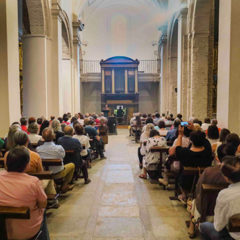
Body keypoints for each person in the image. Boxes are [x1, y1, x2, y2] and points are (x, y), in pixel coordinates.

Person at [0, 146, 50, 240]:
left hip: (2, 230)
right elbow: (43, 204)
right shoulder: (33, 182)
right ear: (27, 164)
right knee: (43, 211)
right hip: (25, 231)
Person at [200, 156, 240, 240]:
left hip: (234, 237)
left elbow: (218, 226)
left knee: (204, 226)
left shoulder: (225, 195)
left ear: (226, 178)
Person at [175, 127, 213, 202]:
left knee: (179, 174)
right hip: (203, 178)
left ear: (191, 141)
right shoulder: (207, 151)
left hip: (186, 181)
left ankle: (184, 194)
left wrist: (180, 135)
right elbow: (204, 140)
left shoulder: (185, 152)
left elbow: (177, 148)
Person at [37, 128, 75, 193]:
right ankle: (65, 185)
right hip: (58, 173)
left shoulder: (38, 149)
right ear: (54, 136)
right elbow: (63, 156)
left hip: (45, 173)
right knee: (72, 165)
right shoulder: (59, 148)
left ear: (42, 137)